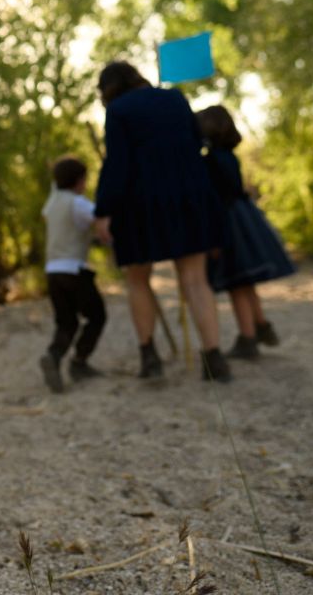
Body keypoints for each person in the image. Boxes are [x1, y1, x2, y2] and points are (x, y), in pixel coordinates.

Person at [92, 61, 232, 383]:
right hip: (189, 196)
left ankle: (150, 357)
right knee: (196, 279)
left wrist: (104, 211)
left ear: (109, 88)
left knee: (138, 278)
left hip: (140, 203)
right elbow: (196, 143)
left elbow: (118, 164)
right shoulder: (175, 98)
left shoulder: (118, 111)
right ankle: (214, 357)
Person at [196, 105, 295, 359]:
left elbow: (216, 198)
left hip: (228, 222)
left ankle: (248, 338)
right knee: (245, 281)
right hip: (242, 217)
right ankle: (260, 325)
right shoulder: (229, 155)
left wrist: (214, 237)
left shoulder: (211, 161)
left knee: (237, 282)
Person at [38, 156, 107, 393]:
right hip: (73, 270)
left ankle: (54, 356)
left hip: (52, 271)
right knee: (97, 315)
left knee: (66, 321)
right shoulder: (77, 203)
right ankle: (79, 361)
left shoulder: (53, 201)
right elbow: (100, 218)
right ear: (80, 180)